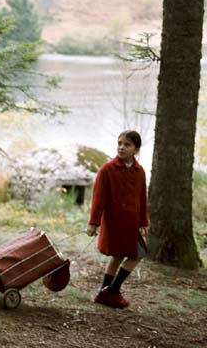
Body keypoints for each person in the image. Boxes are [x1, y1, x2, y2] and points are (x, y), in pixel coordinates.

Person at [86, 130, 149, 309]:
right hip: (115, 221)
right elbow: (98, 199)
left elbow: (142, 198)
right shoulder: (107, 169)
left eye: (127, 145)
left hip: (132, 223)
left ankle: (107, 292)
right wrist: (93, 223)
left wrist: (144, 222)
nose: (121, 147)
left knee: (137, 254)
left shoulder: (139, 171)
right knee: (120, 256)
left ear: (136, 149)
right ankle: (111, 292)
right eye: (120, 143)